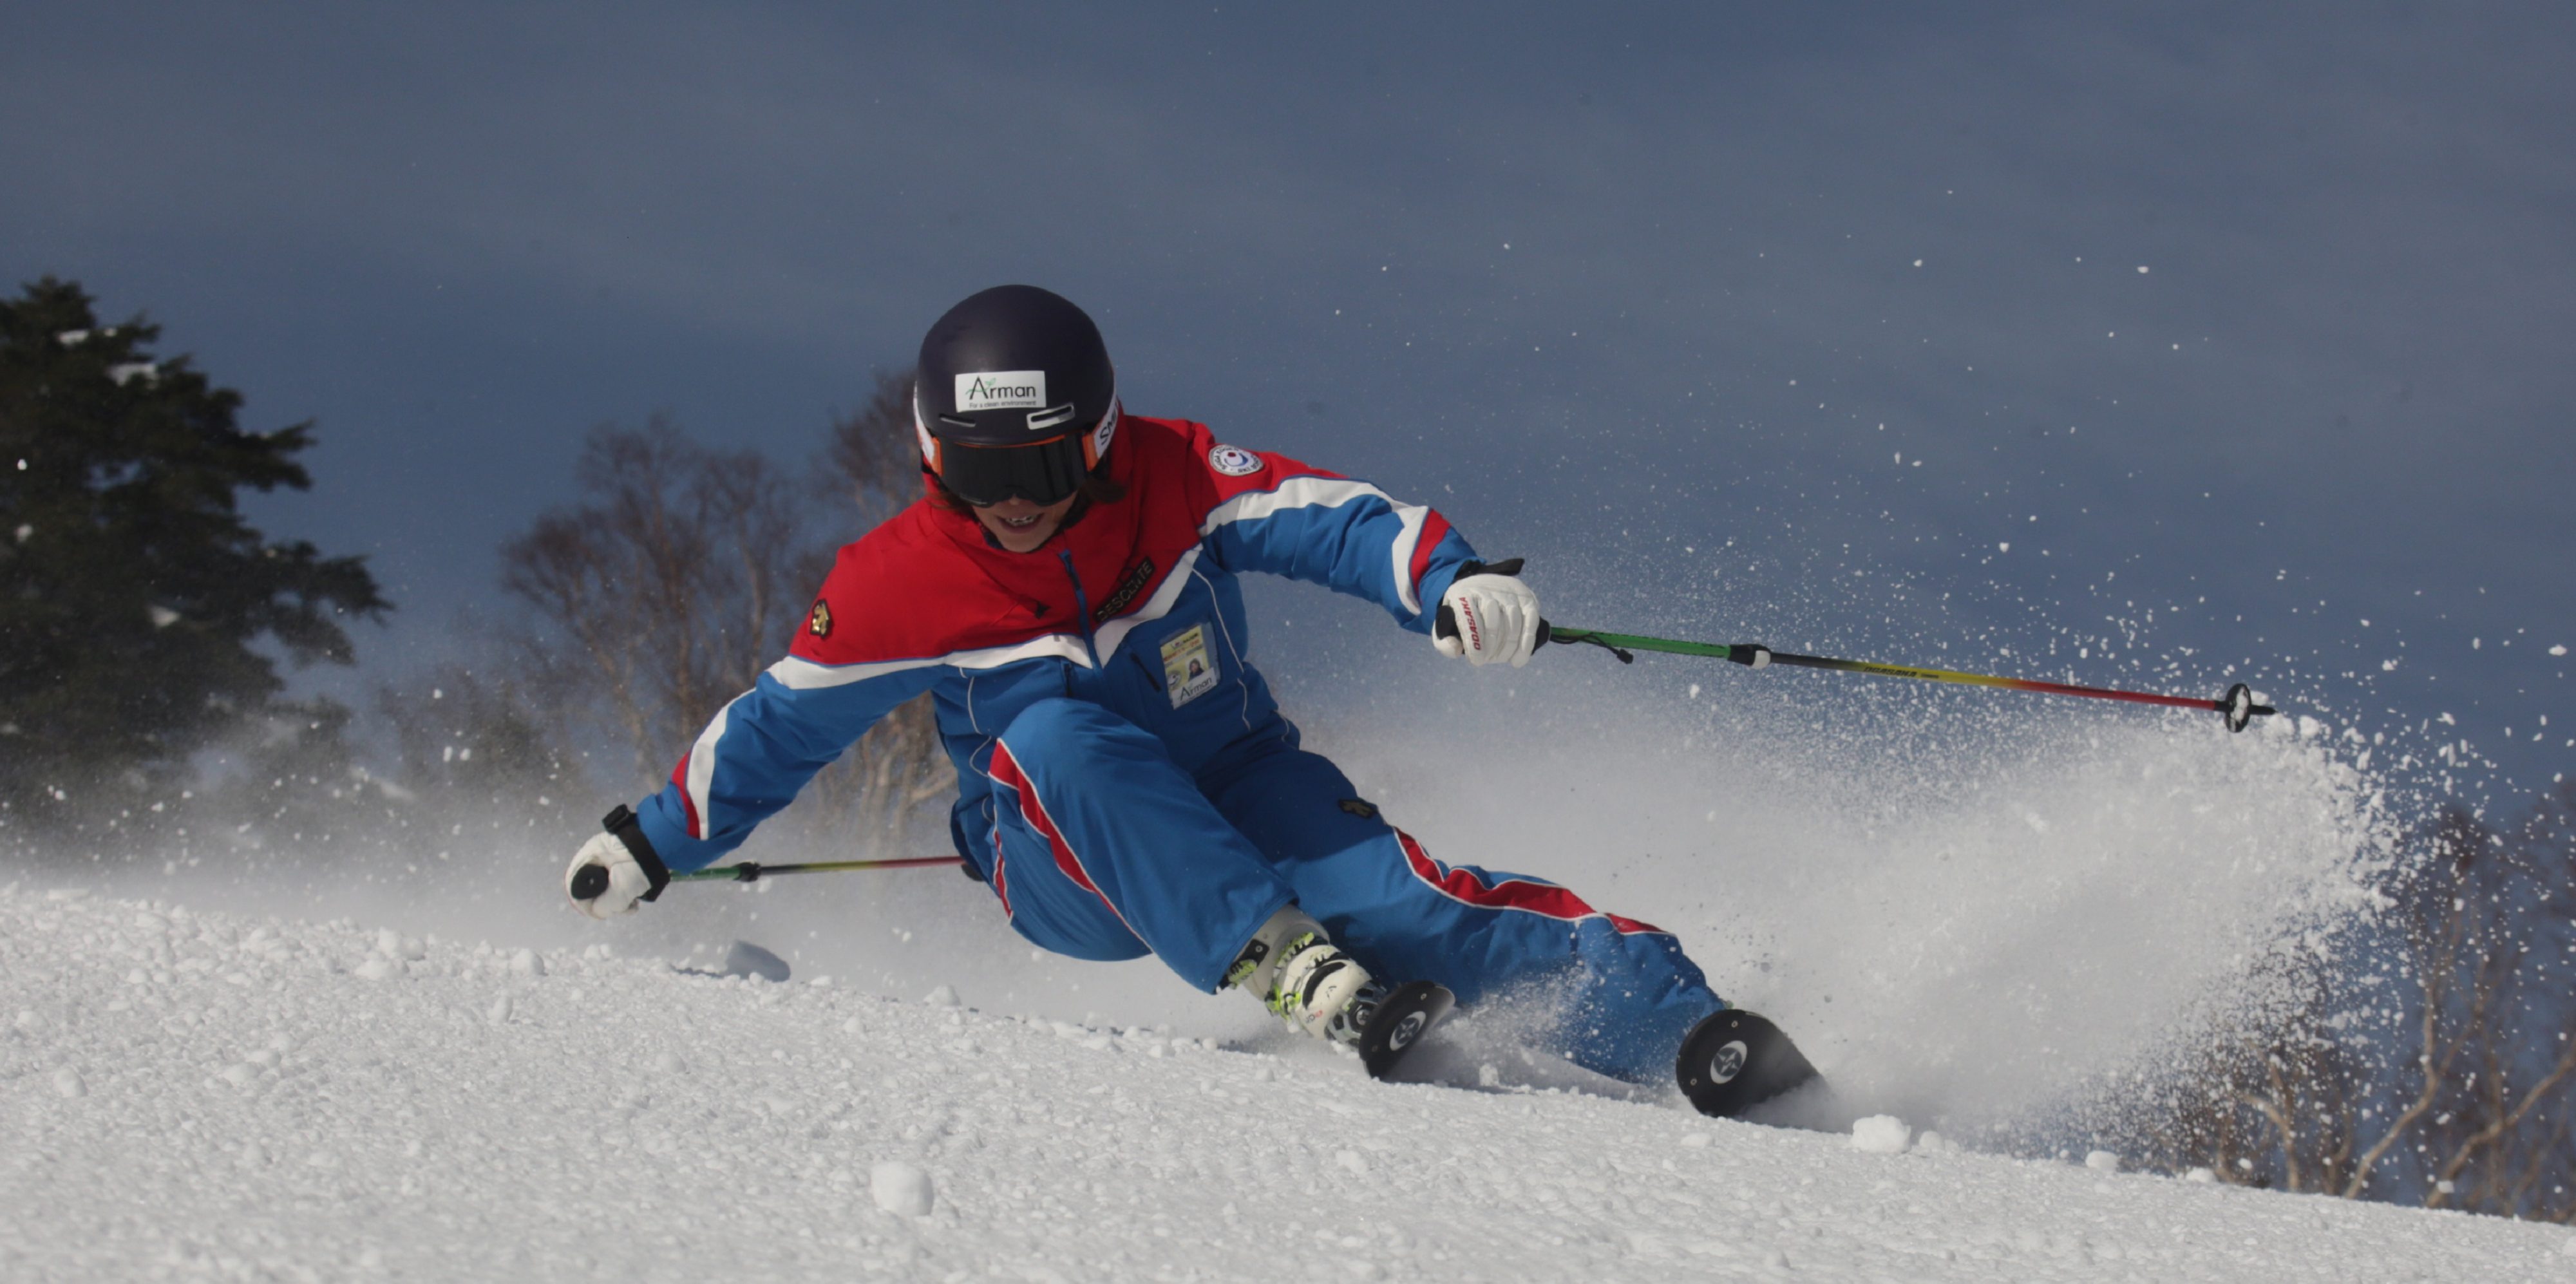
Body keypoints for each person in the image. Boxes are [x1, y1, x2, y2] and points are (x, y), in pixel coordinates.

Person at [564, 285, 1811, 1114]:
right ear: (935, 459)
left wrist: (1452, 581)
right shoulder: (897, 584)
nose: (1016, 499)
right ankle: (1286, 966)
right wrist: (647, 841)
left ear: (1099, 438)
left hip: (1240, 780)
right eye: (985, 472)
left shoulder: (1176, 478)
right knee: (1053, 732)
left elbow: (1331, 519)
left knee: (1408, 905)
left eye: (1042, 461)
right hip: (1062, 857)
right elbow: (777, 727)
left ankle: (1681, 1028)